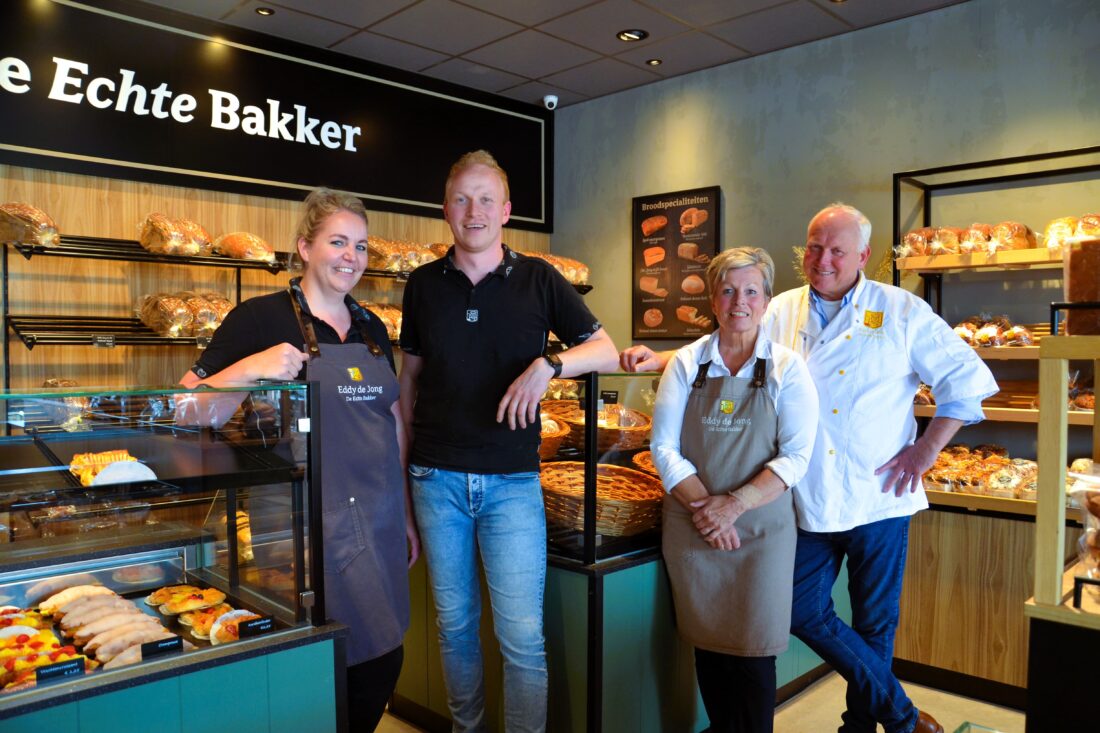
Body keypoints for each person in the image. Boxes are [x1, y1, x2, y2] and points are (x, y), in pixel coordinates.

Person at [622, 204, 997, 733]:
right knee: (799, 610)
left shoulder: (900, 310)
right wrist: (661, 360)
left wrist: (925, 452)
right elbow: (730, 338)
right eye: (814, 248)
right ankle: (903, 716)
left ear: (863, 255)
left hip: (879, 494)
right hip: (804, 494)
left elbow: (968, 382)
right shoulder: (782, 306)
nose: (822, 260)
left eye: (836, 250)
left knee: (874, 625)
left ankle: (863, 726)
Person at [180, 188, 418, 732]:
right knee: (336, 666)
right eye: (337, 242)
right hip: (304, 530)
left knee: (382, 658)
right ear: (304, 247)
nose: (350, 257)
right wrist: (251, 368)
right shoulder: (259, 320)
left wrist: (404, 513)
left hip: (378, 521)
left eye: (359, 246)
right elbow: (187, 409)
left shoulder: (372, 328)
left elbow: (395, 424)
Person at [398, 150, 619, 733]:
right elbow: (407, 385)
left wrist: (549, 365)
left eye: (486, 199)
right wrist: (403, 494)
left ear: (507, 211)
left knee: (521, 636)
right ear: (446, 209)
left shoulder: (540, 279)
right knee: (454, 627)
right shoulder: (421, 286)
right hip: (434, 480)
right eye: (463, 199)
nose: (475, 212)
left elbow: (604, 349)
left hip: (513, 484)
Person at [651, 247, 818, 733]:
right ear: (712, 300)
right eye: (727, 290)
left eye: (750, 291)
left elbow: (796, 456)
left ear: (766, 301)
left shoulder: (787, 368)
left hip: (759, 533)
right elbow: (663, 448)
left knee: (752, 654)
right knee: (710, 649)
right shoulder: (686, 363)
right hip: (694, 527)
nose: (738, 301)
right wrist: (709, 512)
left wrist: (734, 506)